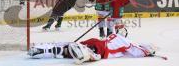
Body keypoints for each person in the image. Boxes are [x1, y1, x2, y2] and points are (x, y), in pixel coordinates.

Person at [28, 33, 156, 64]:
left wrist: (145, 51)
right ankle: (84, 52)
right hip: (98, 47)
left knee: (66, 48)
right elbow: (135, 50)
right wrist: (147, 52)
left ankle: (42, 50)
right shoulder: (121, 38)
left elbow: (135, 49)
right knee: (67, 47)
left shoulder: (118, 37)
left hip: (98, 48)